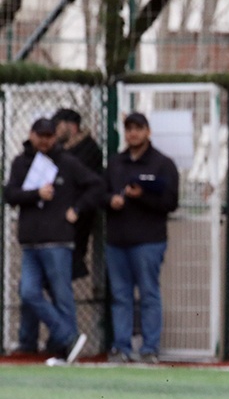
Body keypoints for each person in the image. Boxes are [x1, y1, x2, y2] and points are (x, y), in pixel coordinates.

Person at [3, 117, 102, 363]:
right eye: (41, 136)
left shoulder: (67, 162)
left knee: (62, 295)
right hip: (30, 242)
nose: (45, 141)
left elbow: (95, 185)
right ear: (32, 135)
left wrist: (77, 209)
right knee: (28, 293)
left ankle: (66, 347)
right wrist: (36, 193)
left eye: (49, 136)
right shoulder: (20, 162)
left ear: (55, 137)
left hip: (58, 241)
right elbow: (11, 194)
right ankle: (66, 336)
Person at [103, 112, 180, 363]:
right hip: (117, 240)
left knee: (148, 294)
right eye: (129, 129)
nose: (133, 133)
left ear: (148, 131)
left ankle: (149, 348)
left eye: (138, 128)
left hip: (149, 241)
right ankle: (121, 347)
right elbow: (100, 193)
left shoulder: (162, 164)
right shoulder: (115, 163)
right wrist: (111, 200)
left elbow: (170, 202)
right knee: (120, 297)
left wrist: (142, 196)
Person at [54, 107, 105, 279]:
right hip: (59, 216)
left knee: (67, 264)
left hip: (77, 214)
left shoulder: (88, 149)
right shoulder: (59, 149)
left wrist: (78, 207)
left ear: (72, 126)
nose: (55, 129)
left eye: (59, 125)